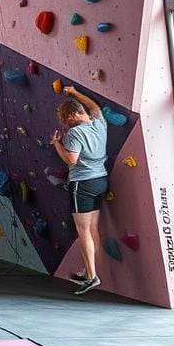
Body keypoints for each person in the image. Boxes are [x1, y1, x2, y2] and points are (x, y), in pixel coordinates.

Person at [51, 85, 108, 295]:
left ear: (74, 114)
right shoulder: (100, 123)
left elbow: (71, 160)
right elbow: (94, 106)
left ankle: (91, 277)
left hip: (82, 184)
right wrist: (74, 93)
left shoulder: (74, 134)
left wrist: (57, 144)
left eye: (65, 118)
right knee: (93, 229)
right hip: (100, 179)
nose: (65, 123)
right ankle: (88, 270)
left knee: (83, 231)